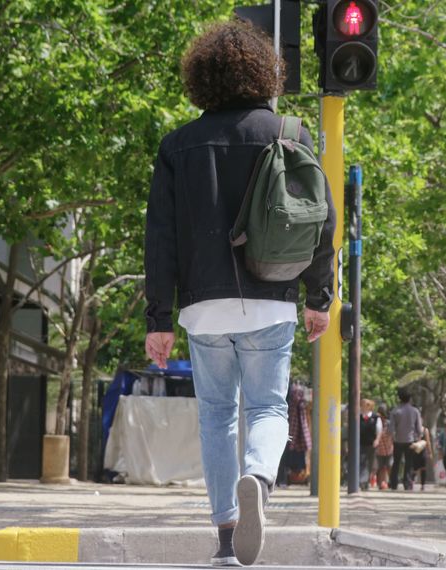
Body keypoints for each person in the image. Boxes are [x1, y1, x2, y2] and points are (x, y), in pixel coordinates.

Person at [143, 20, 336, 568]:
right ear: (264, 71)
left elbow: (160, 236)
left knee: (216, 417)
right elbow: (321, 222)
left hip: (203, 307)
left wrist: (159, 317)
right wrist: (319, 298)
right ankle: (260, 476)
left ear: (200, 77)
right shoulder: (291, 133)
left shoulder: (177, 145)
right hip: (272, 295)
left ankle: (227, 539)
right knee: (269, 405)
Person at [388, 389, 423, 491]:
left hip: (398, 440)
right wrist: (419, 438)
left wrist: (392, 438)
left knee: (396, 462)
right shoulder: (415, 411)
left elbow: (391, 428)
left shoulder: (395, 411)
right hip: (411, 440)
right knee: (409, 463)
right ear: (409, 399)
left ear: (399, 398)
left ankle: (393, 483)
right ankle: (407, 484)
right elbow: (419, 428)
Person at [358, 399, 381, 491]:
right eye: (362, 404)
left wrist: (377, 440)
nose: (363, 406)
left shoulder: (375, 418)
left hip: (372, 443)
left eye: (366, 405)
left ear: (370, 406)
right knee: (362, 462)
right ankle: (362, 481)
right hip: (361, 443)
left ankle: (366, 481)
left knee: (370, 463)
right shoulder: (359, 417)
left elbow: (379, 430)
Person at [374, 404, 393, 490]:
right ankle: (381, 483)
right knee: (381, 467)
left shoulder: (388, 423)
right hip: (379, 448)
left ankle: (390, 482)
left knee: (389, 465)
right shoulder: (375, 421)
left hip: (388, 447)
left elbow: (391, 434)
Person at [412, 426, 435, 491]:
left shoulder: (425, 430)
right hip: (415, 451)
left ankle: (423, 485)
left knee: (423, 468)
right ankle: (412, 482)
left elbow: (428, 441)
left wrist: (430, 452)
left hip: (423, 451)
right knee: (414, 468)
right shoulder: (413, 428)